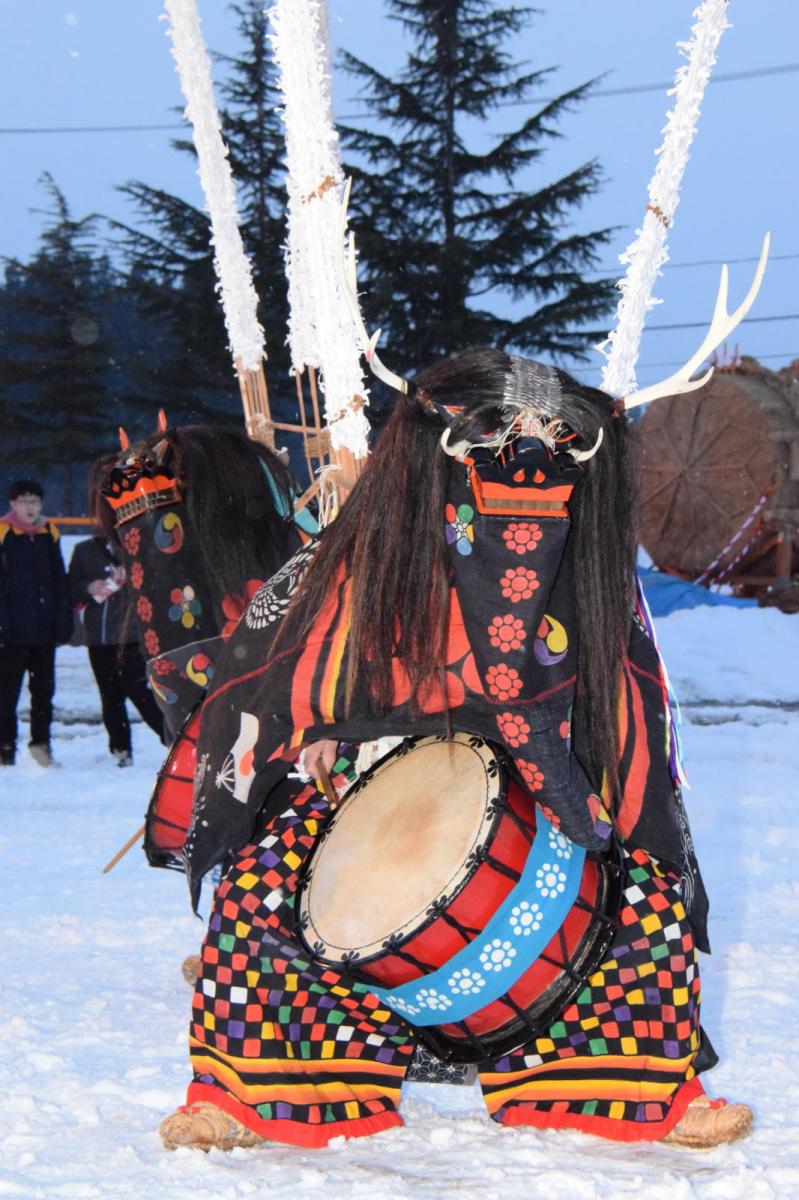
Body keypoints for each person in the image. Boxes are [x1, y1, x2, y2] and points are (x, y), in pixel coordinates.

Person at [157, 349, 751, 1153]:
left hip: (544, 788)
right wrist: (324, 738)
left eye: (556, 446)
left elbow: (623, 710)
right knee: (260, 891)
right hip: (372, 778)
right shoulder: (362, 557)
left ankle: (646, 1093)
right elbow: (286, 679)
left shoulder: (588, 571)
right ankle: (248, 1094)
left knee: (646, 897)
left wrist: (596, 798)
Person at [68, 523, 163, 766]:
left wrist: (130, 577)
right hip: (98, 636)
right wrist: (88, 588)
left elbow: (155, 581)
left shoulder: (138, 544)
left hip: (130, 634)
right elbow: (71, 587)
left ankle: (169, 736)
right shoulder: (84, 550)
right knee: (110, 695)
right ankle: (120, 749)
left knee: (139, 690)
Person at [0, 478, 72, 767]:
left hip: (44, 631)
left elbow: (59, 581)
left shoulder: (48, 532)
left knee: (43, 692)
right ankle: (5, 748)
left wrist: (62, 620)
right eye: (24, 501)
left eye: (35, 501)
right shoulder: (4, 532)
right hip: (11, 632)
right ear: (13, 504)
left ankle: (41, 745)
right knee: (7, 695)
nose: (30, 507)